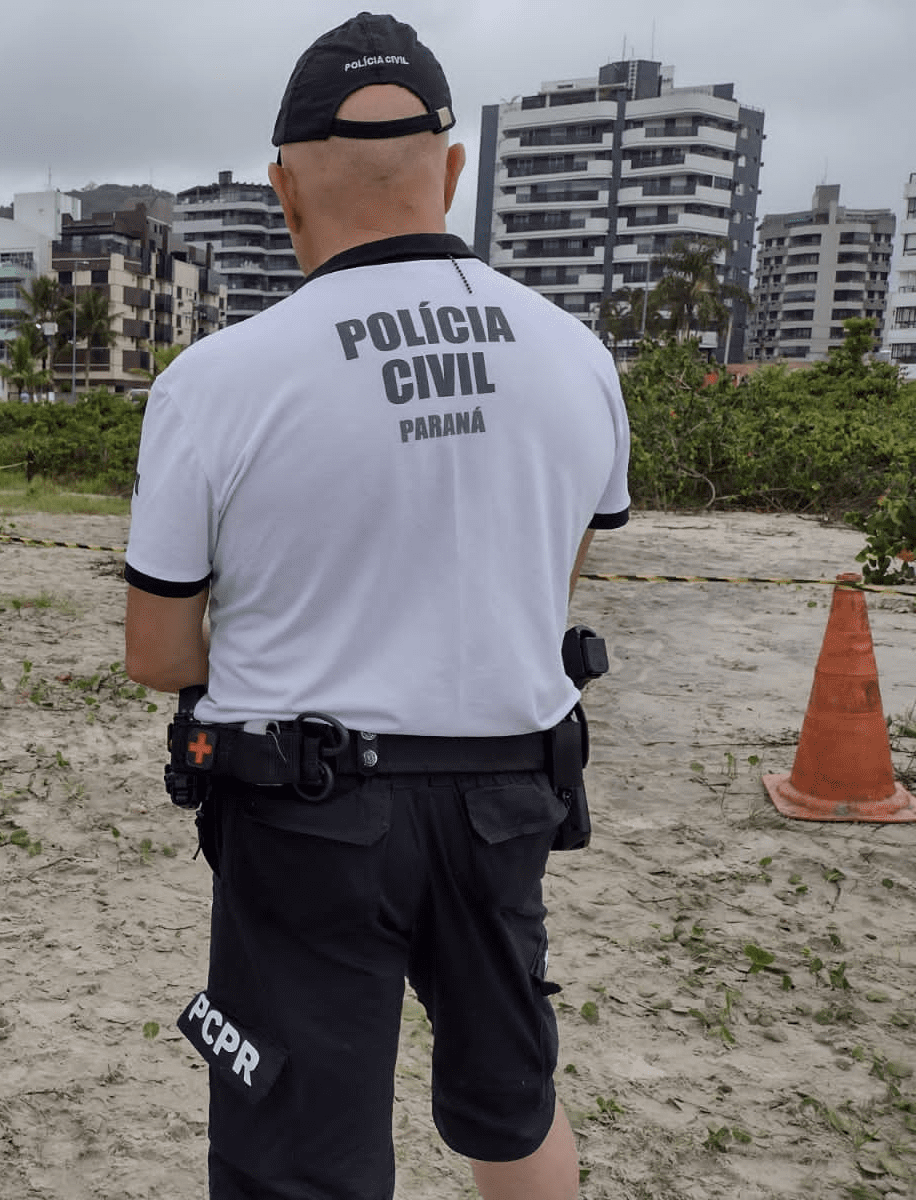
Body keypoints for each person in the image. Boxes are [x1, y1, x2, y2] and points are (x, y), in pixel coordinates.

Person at [123, 14, 630, 1200]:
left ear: (283, 188)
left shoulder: (214, 381)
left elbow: (159, 651)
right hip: (506, 794)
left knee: (296, 1158)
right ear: (450, 170)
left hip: (304, 809)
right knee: (512, 1107)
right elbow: (549, 584)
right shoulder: (576, 355)